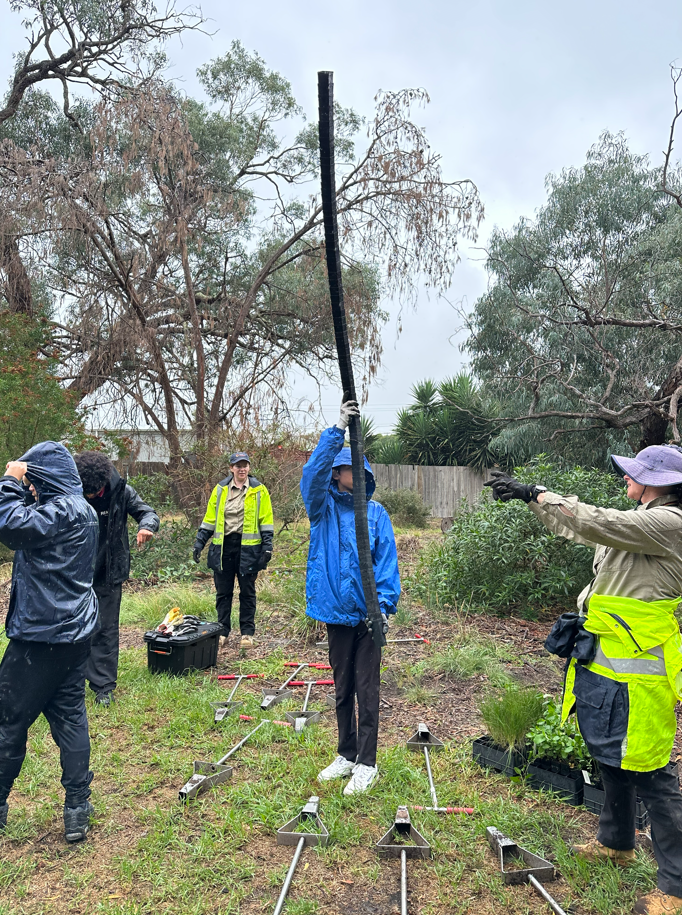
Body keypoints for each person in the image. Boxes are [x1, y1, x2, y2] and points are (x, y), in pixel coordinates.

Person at [486, 445, 682, 915]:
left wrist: (538, 491)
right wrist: (532, 502)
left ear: (658, 481)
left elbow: (598, 521)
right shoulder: (643, 520)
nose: (625, 480)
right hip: (608, 659)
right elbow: (584, 527)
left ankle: (675, 888)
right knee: (611, 754)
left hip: (641, 672)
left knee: (653, 773)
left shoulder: (671, 523)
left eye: (633, 474)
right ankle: (617, 843)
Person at [0, 442, 99, 842]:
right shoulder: (82, 511)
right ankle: (78, 806)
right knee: (70, 716)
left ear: (46, 479)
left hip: (41, 637)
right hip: (74, 633)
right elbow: (27, 521)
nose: (32, 490)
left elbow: (9, 524)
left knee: (7, 721)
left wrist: (10, 480)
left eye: (35, 483)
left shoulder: (61, 511)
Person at [301, 400, 400, 796]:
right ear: (337, 473)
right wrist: (336, 431)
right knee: (342, 687)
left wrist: (386, 607)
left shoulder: (376, 515)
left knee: (367, 688)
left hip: (368, 617)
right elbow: (311, 474)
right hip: (335, 615)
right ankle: (345, 753)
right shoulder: (321, 509)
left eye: (357, 470)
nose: (352, 475)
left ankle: (367, 762)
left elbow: (387, 564)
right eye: (345, 469)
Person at [74, 452, 159, 706]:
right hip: (75, 573)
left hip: (110, 572)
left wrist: (147, 526)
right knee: (74, 629)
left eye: (94, 492)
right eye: (85, 492)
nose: (90, 496)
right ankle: (71, 683)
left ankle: (103, 687)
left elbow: (147, 512)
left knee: (106, 629)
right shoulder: (71, 489)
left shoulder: (122, 491)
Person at [193, 452, 274, 650]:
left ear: (249, 467)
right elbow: (210, 519)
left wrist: (267, 546)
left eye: (245, 465)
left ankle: (247, 633)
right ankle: (222, 631)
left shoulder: (259, 490)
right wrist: (199, 542)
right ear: (231, 468)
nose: (242, 469)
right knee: (223, 593)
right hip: (223, 548)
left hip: (249, 549)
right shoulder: (220, 489)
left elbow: (266, 519)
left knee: (247, 592)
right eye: (238, 465)